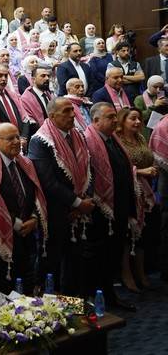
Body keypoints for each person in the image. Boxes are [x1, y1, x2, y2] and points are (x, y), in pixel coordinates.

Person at [27, 98, 94, 295]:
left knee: (75, 261)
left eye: (72, 110)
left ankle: (74, 300)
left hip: (78, 210)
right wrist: (77, 202)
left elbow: (88, 168)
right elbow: (48, 182)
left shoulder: (77, 135)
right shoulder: (40, 141)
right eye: (66, 111)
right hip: (55, 211)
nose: (72, 115)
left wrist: (83, 201)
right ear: (52, 116)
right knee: (52, 261)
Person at [0, 123, 47, 293]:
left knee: (27, 281)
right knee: (2, 285)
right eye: (10, 139)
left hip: (27, 233)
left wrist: (34, 218)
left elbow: (34, 195)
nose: (16, 142)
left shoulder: (25, 163)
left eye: (17, 137)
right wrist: (16, 223)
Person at [83, 102, 137, 310]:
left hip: (119, 206)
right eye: (110, 117)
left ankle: (110, 296)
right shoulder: (88, 141)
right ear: (96, 120)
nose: (116, 120)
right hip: (100, 210)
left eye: (115, 116)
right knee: (99, 256)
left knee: (114, 254)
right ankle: (96, 298)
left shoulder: (113, 139)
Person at [117, 107, 159, 292]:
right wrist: (141, 172)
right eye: (132, 119)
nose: (137, 122)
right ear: (122, 121)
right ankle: (126, 274)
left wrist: (153, 168)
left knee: (143, 235)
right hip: (128, 191)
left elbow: (148, 157)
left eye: (139, 119)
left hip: (145, 191)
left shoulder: (141, 137)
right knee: (128, 236)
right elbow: (119, 168)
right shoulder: (118, 140)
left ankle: (140, 273)